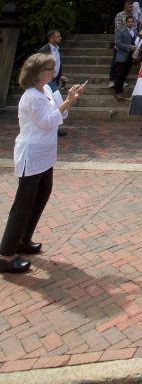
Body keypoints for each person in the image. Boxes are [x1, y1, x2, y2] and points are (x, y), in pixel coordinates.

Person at [0, 54, 85, 272]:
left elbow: (60, 116)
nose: (54, 72)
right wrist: (69, 101)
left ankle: (23, 240)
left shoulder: (46, 91)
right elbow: (47, 122)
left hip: (45, 155)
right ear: (38, 72)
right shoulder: (30, 97)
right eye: (50, 68)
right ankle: (6, 254)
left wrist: (69, 98)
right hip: (32, 154)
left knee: (41, 195)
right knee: (23, 203)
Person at [113, 16, 139, 100]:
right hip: (122, 56)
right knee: (119, 74)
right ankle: (117, 92)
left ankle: (121, 91)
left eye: (132, 22)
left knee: (125, 74)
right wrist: (128, 47)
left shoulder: (135, 31)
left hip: (130, 56)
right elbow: (118, 44)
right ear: (126, 22)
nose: (130, 23)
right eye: (129, 22)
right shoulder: (121, 32)